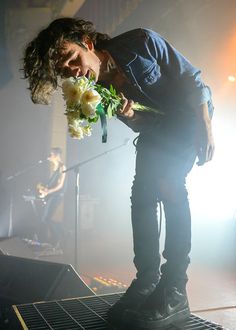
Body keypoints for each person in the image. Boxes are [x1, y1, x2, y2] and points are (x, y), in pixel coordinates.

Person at [23, 18, 214, 328]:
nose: (72, 70)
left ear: (86, 42)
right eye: (63, 70)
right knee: (140, 195)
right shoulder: (95, 88)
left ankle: (176, 288)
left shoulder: (140, 41)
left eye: (73, 58)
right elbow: (145, 125)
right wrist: (132, 117)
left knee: (169, 185)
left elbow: (191, 78)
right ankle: (147, 281)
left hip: (190, 118)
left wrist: (206, 127)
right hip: (159, 130)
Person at [37, 147, 66, 251]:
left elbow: (60, 185)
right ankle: (59, 235)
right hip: (52, 194)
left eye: (51, 154)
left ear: (57, 155)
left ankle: (61, 234)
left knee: (45, 219)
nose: (49, 156)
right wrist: (44, 189)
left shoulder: (62, 167)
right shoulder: (54, 167)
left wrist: (48, 191)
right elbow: (52, 183)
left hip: (57, 195)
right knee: (45, 218)